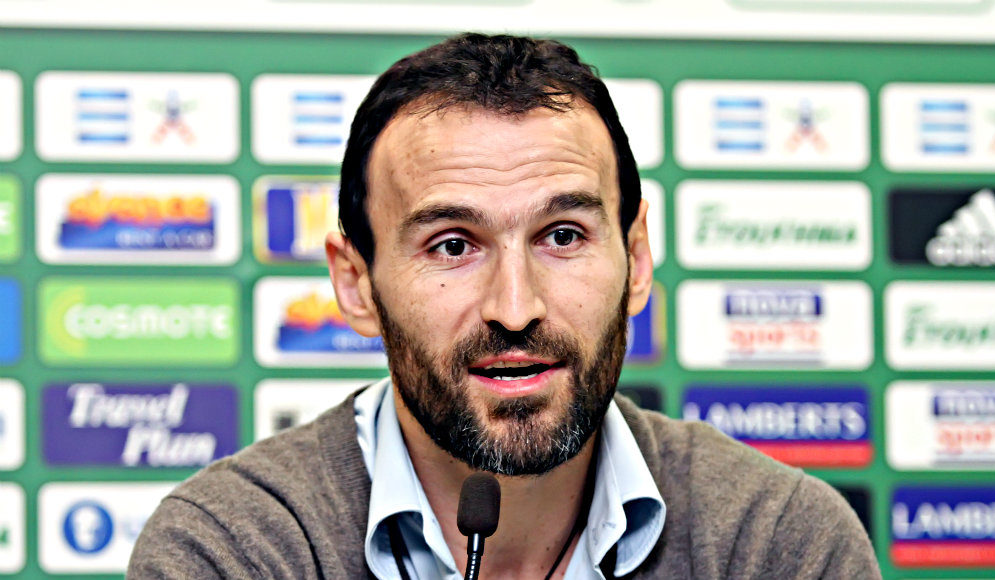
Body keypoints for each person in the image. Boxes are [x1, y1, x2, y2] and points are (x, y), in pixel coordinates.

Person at [128, 33, 880, 579]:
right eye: (453, 245)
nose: (515, 309)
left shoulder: (776, 542)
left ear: (637, 259)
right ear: (356, 284)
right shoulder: (235, 548)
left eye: (563, 235)